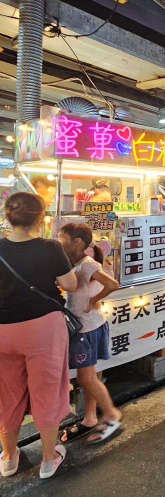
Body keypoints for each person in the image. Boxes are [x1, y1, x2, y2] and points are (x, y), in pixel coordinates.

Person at [0, 192, 77, 479]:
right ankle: (48, 457)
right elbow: (69, 284)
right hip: (42, 329)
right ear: (41, 218)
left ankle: (8, 457)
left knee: (7, 392)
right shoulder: (50, 248)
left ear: (7, 217)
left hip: (3, 330)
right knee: (46, 390)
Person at [57, 223, 122, 444]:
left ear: (77, 242)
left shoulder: (86, 264)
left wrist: (93, 301)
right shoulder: (75, 264)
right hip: (87, 326)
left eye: (61, 236)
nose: (58, 239)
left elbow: (113, 284)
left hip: (87, 327)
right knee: (91, 376)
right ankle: (90, 417)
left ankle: (112, 414)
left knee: (86, 377)